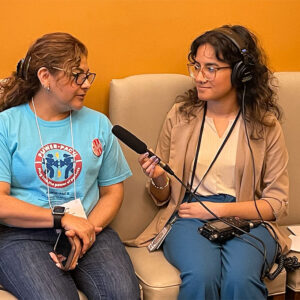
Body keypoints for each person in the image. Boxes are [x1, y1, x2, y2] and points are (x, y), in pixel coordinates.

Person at [137, 25, 290, 300]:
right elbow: (162, 198)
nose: (199, 77)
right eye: (196, 66)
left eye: (211, 68)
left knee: (240, 279)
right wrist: (158, 178)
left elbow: (276, 204)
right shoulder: (180, 116)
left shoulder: (265, 126)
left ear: (241, 72)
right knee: (201, 276)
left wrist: (214, 210)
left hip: (247, 219)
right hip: (188, 218)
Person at [0, 32, 140, 299]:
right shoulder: (6, 125)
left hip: (91, 230)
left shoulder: (98, 123)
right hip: (23, 236)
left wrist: (86, 230)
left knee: (123, 294)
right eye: (77, 75)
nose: (86, 83)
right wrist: (62, 219)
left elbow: (112, 191)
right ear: (45, 77)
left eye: (88, 75)